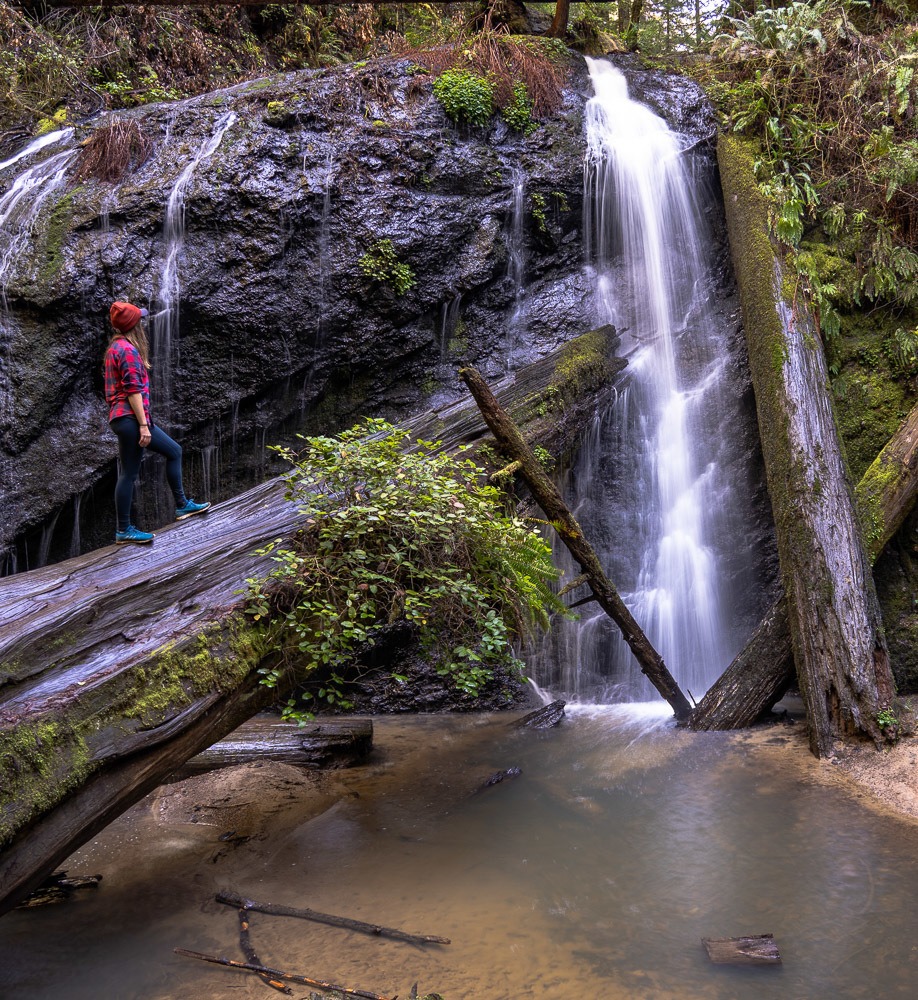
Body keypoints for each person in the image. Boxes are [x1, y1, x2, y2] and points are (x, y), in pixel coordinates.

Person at [104, 300, 209, 545]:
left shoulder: (114, 348)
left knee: (129, 473)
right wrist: (143, 425)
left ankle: (124, 529)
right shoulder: (128, 351)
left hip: (121, 418)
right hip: (131, 418)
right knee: (173, 451)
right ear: (133, 326)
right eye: (139, 320)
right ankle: (179, 506)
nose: (143, 323)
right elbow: (133, 390)